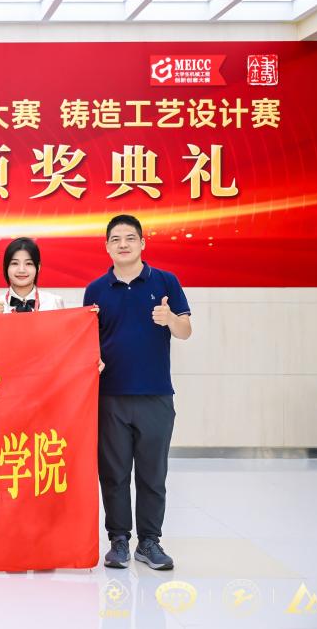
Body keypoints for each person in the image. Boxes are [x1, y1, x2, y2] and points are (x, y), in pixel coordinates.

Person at [83, 214, 192, 571]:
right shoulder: (95, 289)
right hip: (109, 396)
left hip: (155, 396)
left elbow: (185, 330)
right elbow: (87, 340)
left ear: (143, 243)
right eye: (116, 239)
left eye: (130, 238)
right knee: (113, 473)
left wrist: (170, 319)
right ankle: (118, 540)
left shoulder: (165, 281)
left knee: (152, 474)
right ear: (107, 247)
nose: (123, 244)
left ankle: (149, 541)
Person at [0, 237, 66, 314]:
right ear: (6, 267)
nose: (21, 270)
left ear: (38, 267)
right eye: (15, 263)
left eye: (28, 263)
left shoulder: (54, 302)